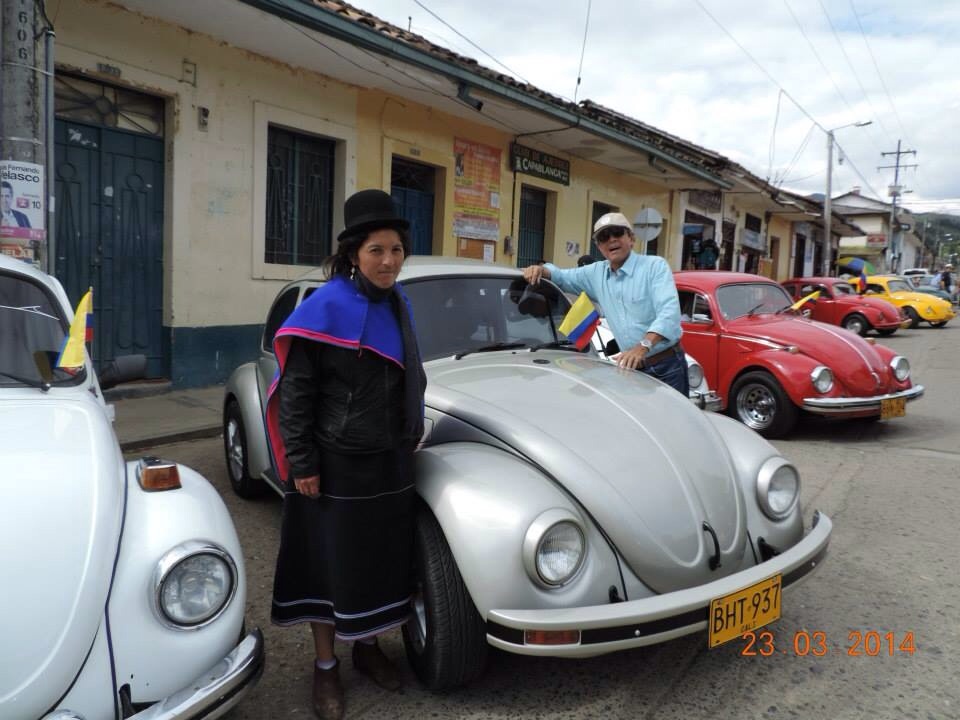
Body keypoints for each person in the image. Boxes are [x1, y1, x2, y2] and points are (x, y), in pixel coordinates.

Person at [264, 189, 426, 720]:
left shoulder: (398, 302)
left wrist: (411, 425)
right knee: (328, 571)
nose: (389, 261)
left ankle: (369, 648)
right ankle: (326, 668)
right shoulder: (325, 309)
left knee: (380, 564)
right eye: (377, 250)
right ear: (354, 253)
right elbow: (297, 395)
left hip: (390, 461)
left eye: (397, 250)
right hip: (336, 465)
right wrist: (303, 463)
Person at [522, 211, 688, 396]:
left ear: (631, 238)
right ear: (599, 246)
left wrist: (641, 348)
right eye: (603, 237)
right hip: (631, 370)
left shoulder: (655, 267)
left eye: (617, 233)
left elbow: (669, 314)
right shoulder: (596, 273)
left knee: (673, 423)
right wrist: (541, 269)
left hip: (666, 368)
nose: (611, 240)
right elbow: (562, 277)